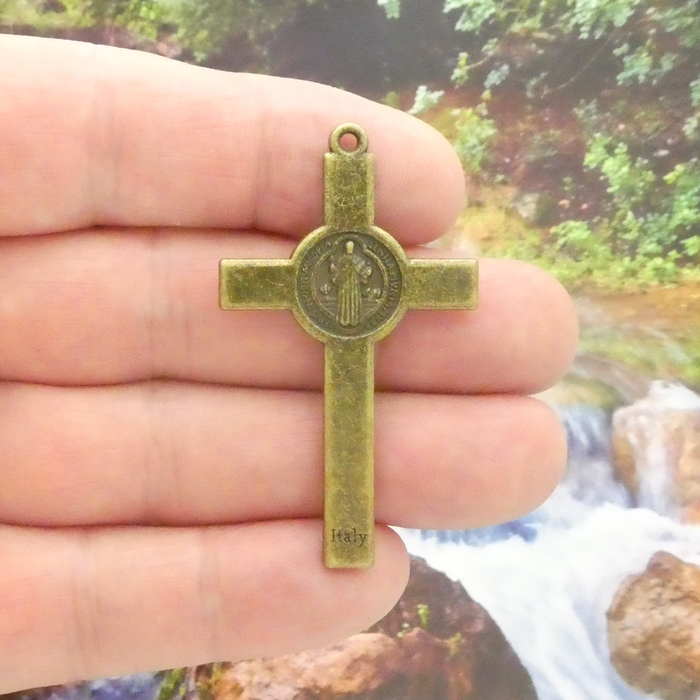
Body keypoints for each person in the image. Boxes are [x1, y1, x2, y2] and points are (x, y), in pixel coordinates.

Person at [0, 34, 577, 693]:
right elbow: (249, 281)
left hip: (351, 321)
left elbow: (439, 283)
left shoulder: (379, 271)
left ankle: (349, 533)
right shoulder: (314, 271)